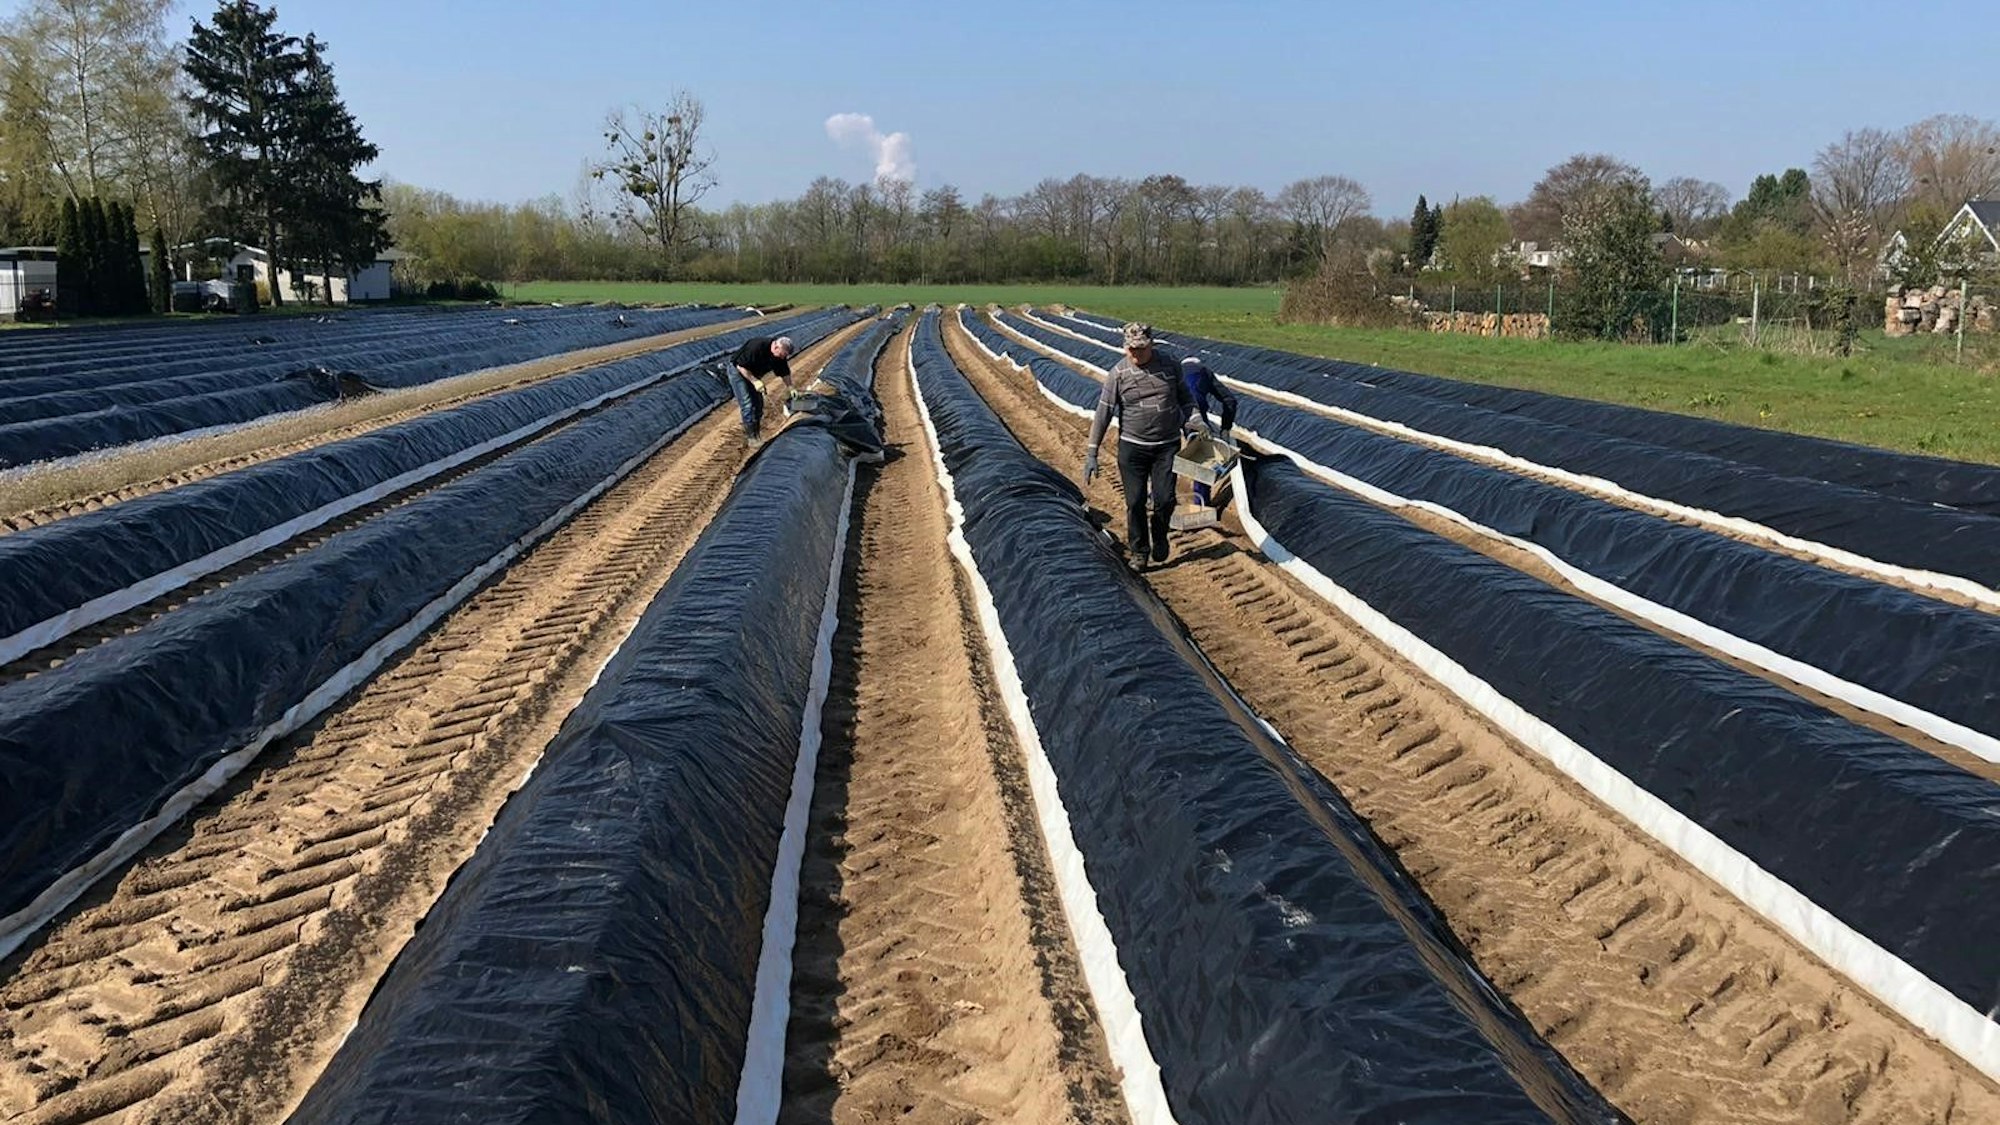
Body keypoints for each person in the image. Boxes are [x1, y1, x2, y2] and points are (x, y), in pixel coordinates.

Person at [1083, 323, 1195, 569]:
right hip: (1133, 447)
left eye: (1141, 349)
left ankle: (1160, 531)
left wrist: (1193, 421)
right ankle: (1140, 551)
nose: (1135, 354)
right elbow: (1103, 412)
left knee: (1165, 500)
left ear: (1151, 345)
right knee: (1134, 502)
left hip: (1166, 446)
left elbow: (1185, 398)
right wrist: (1092, 452)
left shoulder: (1170, 366)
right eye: (1131, 349)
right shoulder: (1118, 374)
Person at [1179, 355, 1240, 508]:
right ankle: (1201, 504)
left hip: (1172, 412)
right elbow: (1230, 400)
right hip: (1196, 412)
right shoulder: (1204, 372)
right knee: (1203, 456)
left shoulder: (1174, 370)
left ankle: (1156, 496)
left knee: (1165, 456)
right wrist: (1225, 428)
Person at [722, 335, 796, 448]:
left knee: (758, 405)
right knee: (748, 404)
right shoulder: (757, 346)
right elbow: (741, 366)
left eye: (784, 356)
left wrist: (790, 387)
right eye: (781, 355)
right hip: (738, 372)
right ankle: (752, 438)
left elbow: (784, 372)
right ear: (776, 347)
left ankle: (756, 434)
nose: (782, 358)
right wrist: (755, 381)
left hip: (754, 373)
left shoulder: (779, 356)